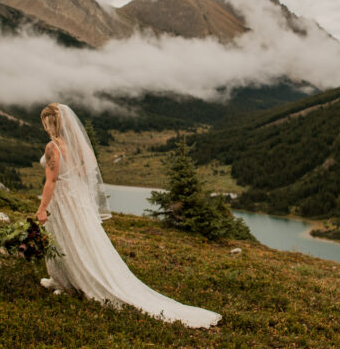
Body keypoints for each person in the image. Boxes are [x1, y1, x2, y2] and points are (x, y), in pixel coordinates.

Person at [35, 103, 221, 329]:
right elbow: (91, 163)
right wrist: (74, 177)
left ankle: (68, 283)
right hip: (77, 197)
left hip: (64, 199)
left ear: (50, 122)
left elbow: (51, 181)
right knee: (82, 239)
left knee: (66, 238)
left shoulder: (51, 147)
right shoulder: (72, 144)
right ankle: (66, 280)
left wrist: (42, 208)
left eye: (45, 122)